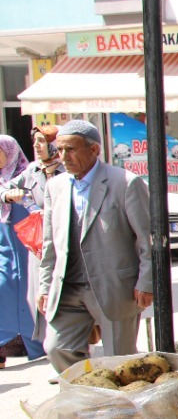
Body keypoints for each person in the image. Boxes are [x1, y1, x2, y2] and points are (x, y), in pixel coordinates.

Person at [37, 120, 152, 371]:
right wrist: (45, 286)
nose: (64, 157)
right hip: (68, 287)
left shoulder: (125, 182)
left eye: (71, 149)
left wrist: (146, 282)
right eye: (60, 150)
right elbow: (49, 244)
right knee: (57, 348)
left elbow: (147, 239)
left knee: (118, 362)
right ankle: (88, 396)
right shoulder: (55, 186)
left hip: (113, 287)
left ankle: (116, 408)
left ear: (94, 149)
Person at [4, 125, 62, 354]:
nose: (37, 147)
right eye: (35, 141)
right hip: (39, 245)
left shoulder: (67, 171)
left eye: (41, 141)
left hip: (66, 241)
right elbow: (7, 188)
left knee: (65, 297)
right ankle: (50, 349)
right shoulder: (32, 170)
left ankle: (67, 350)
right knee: (37, 297)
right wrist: (8, 194)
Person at [0, 136, 42, 363]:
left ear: (10, 152)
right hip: (4, 248)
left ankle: (35, 343)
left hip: (28, 247)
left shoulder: (28, 175)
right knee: (3, 289)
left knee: (30, 292)